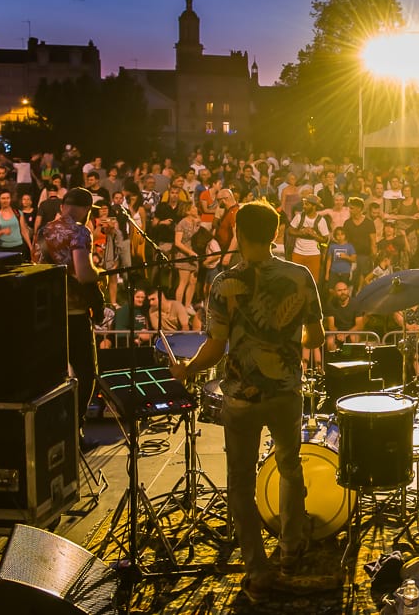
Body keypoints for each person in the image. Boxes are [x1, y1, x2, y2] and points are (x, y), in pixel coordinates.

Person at [168, 200, 324, 604]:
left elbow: (216, 347)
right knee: (290, 466)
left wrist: (187, 368)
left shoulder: (223, 283)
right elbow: (317, 337)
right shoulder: (300, 275)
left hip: (240, 396)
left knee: (240, 482)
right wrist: (289, 345)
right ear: (276, 234)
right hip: (286, 391)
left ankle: (258, 567)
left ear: (237, 233)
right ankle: (290, 551)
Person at [33, 187, 103, 447]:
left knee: (54, 375)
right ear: (85, 210)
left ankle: (53, 431)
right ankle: (76, 430)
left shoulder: (44, 230)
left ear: (63, 206)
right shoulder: (80, 231)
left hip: (47, 313)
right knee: (86, 372)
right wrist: (100, 272)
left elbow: (38, 266)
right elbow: (84, 273)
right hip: (74, 312)